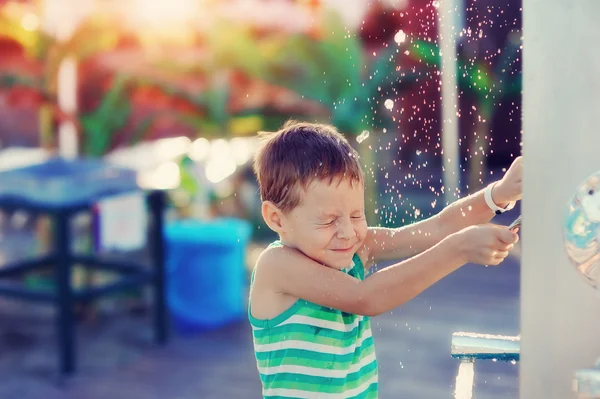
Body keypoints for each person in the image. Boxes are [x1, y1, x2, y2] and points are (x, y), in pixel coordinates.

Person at [248, 120, 521, 398]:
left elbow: (438, 228)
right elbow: (366, 298)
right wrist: (459, 250)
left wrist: (499, 195)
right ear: (276, 218)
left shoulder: (356, 249)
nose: (347, 232)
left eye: (356, 215)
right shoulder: (277, 266)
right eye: (328, 221)